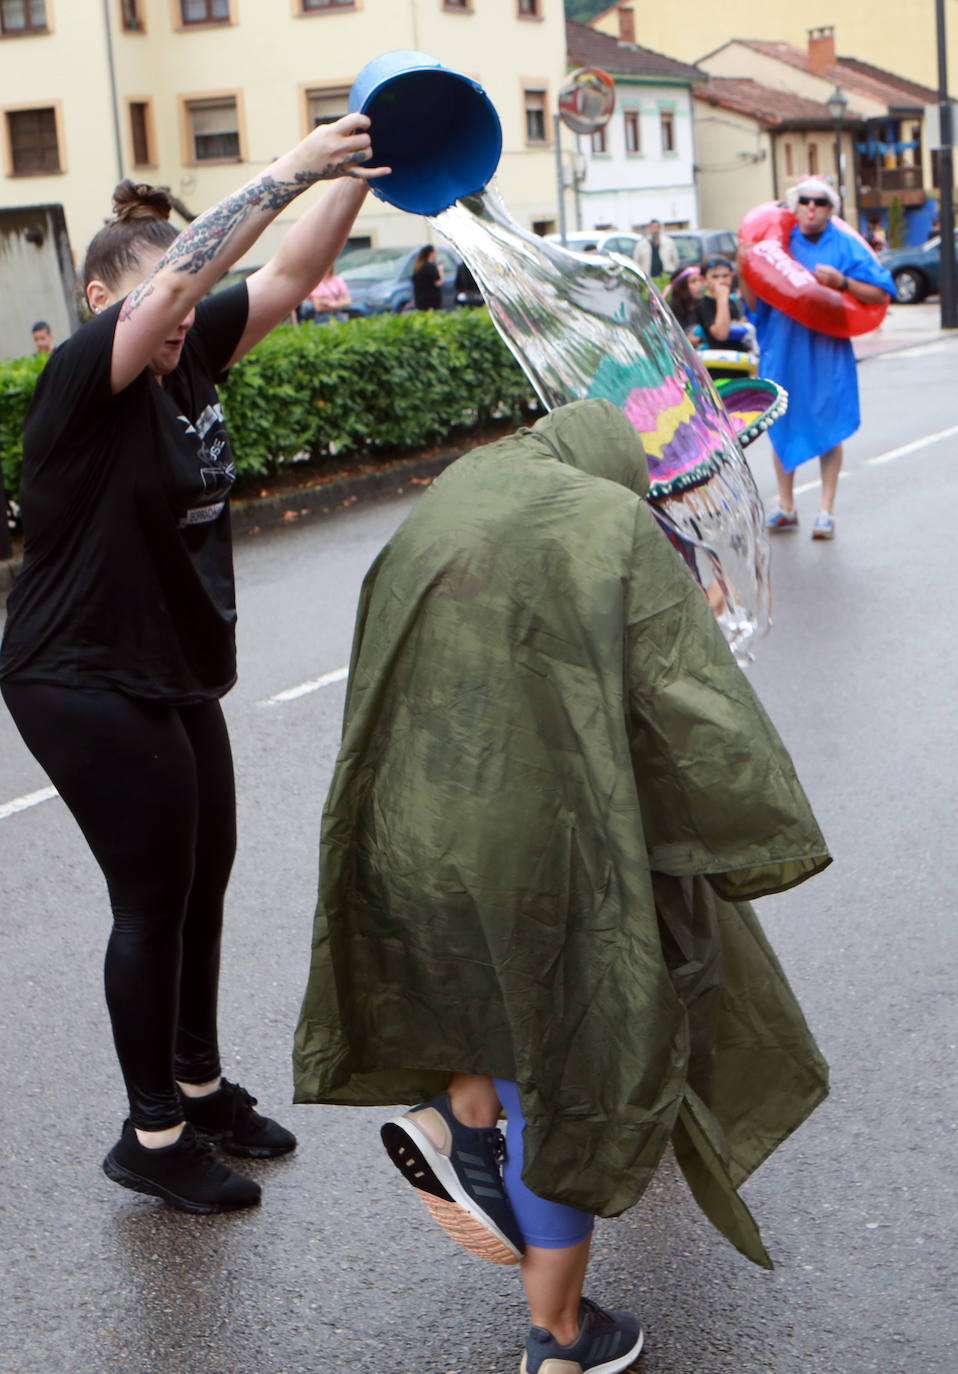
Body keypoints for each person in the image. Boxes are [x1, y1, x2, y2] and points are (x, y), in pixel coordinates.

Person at [294, 399, 831, 1372]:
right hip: (537, 842)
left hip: (411, 816)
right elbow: (688, 703)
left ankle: (458, 1120)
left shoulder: (462, 489)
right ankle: (561, 1335)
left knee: (481, 1007)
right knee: (576, 1067)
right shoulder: (611, 522)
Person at [0, 116, 388, 1214]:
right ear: (104, 304)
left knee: (200, 880)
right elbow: (174, 290)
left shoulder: (187, 350)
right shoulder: (86, 377)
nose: (179, 321)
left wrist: (357, 175)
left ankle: (200, 1085)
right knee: (149, 898)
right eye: (163, 302)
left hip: (167, 667)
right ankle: (153, 1133)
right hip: (77, 675)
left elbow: (295, 268)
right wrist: (283, 169)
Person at [738, 177, 894, 540]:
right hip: (783, 344)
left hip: (826, 349)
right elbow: (752, 302)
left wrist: (842, 283)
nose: (811, 207)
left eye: (820, 202)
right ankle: (787, 507)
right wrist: (742, 261)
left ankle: (826, 510)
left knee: (828, 421)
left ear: (830, 210)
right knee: (781, 423)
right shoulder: (777, 242)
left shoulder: (844, 245)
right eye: (804, 201)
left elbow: (879, 293)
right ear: (794, 207)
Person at [693, 255, 755, 351]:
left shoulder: (732, 301)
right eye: (715, 277)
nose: (721, 281)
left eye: (725, 276)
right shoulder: (703, 305)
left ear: (731, 277)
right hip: (718, 359)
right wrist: (721, 298)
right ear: (703, 280)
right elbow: (721, 334)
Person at [663, 263, 703, 333]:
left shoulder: (704, 306)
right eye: (693, 281)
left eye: (700, 280)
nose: (699, 285)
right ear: (682, 286)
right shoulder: (670, 312)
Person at [411, 244, 442, 310]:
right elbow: (438, 282)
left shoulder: (418, 266)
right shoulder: (431, 267)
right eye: (435, 253)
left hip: (420, 301)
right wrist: (440, 270)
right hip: (431, 301)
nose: (436, 255)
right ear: (431, 254)